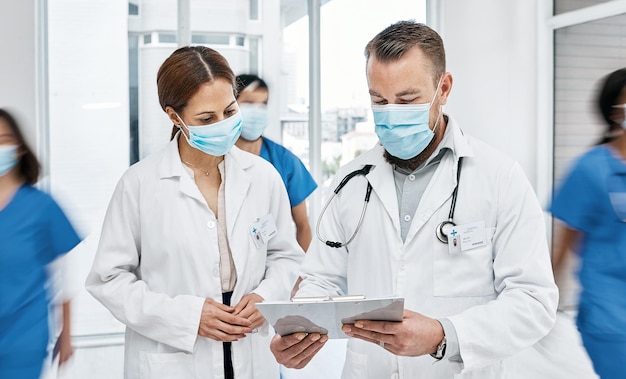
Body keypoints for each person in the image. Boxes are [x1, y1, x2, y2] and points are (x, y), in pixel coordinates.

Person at [269, 20, 558, 378]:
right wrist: (299, 329)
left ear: (444, 87)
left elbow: (533, 301)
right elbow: (322, 279)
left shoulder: (500, 178)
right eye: (379, 101)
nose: (392, 114)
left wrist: (443, 335)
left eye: (407, 100)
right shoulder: (349, 181)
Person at [85, 46, 304, 379]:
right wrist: (187, 316)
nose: (223, 125)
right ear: (175, 117)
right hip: (175, 358)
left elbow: (286, 257)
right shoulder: (140, 184)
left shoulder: (262, 176)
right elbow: (109, 280)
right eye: (206, 118)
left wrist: (266, 297)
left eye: (230, 111)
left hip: (251, 351)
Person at [550, 67, 626, 379]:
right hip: (610, 319)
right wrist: (545, 306)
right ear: (614, 113)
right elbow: (563, 247)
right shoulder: (590, 169)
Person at [0, 108, 81, 378]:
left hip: (23, 340)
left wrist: (66, 335)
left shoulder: (42, 207)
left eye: (5, 139)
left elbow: (64, 279)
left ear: (20, 147)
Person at [235, 74, 317, 252]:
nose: (256, 111)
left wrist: (301, 276)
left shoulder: (284, 161)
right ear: (232, 106)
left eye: (263, 104)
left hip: (274, 262)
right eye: (249, 103)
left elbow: (303, 225)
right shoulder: (217, 157)